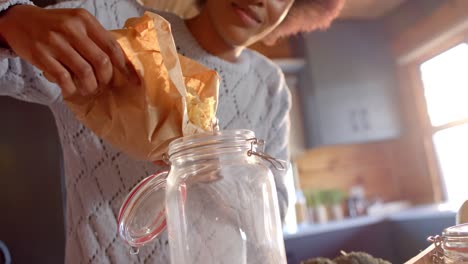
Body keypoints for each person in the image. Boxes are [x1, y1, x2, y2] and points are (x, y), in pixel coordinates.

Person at [0, 0, 344, 262]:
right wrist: (11, 20)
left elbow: (274, 214)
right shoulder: (112, 21)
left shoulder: (271, 86)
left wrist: (213, 163)